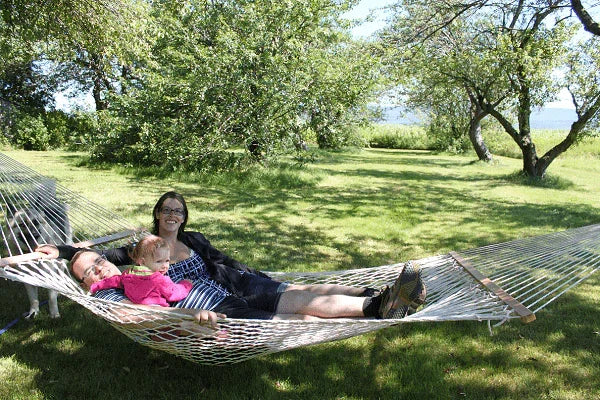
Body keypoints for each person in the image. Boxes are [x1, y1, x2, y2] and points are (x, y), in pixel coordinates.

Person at [36, 191, 427, 321]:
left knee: (299, 289)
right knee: (298, 302)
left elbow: (225, 261)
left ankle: (377, 294)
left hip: (235, 283)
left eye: (179, 211)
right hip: (219, 302)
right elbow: (99, 259)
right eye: (167, 210)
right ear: (157, 215)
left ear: (184, 218)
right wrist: (66, 250)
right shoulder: (144, 250)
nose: (173, 215)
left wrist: (256, 272)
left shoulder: (196, 239)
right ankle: (379, 305)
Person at [69, 249, 425, 324]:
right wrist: (192, 315)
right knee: (302, 319)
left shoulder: (131, 268)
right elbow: (135, 315)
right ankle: (382, 308)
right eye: (89, 272)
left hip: (226, 293)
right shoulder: (109, 292)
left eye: (98, 262)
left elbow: (128, 252)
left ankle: (381, 300)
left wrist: (70, 251)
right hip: (217, 314)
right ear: (86, 284)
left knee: (300, 297)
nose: (98, 271)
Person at [89, 235, 193, 307]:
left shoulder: (128, 274)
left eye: (167, 260)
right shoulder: (158, 279)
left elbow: (112, 281)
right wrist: (186, 284)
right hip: (158, 313)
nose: (165, 266)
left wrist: (95, 286)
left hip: (139, 312)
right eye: (159, 261)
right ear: (142, 262)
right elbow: (173, 293)